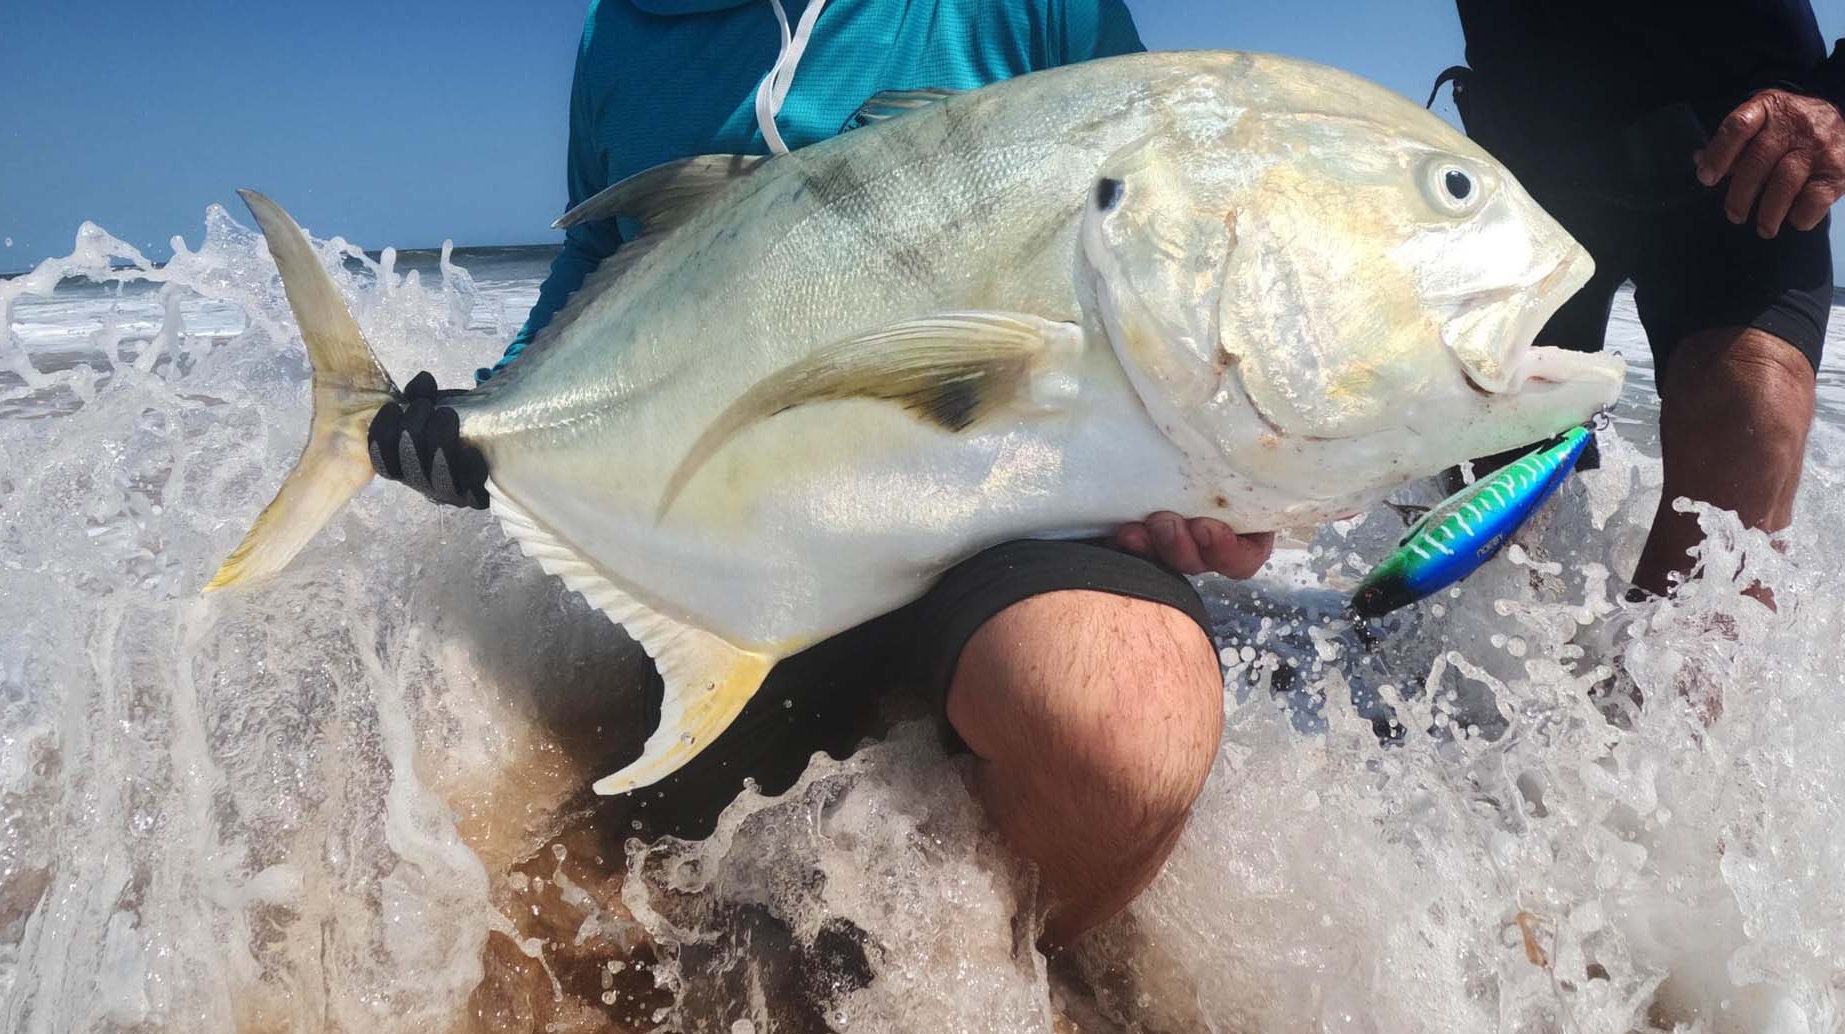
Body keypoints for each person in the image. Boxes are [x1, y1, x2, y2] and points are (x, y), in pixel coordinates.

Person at [369, 0, 1274, 947]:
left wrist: (1226, 447)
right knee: (692, 896)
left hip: (1015, 503)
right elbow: (606, 249)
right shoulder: (622, 32)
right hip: (740, 527)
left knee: (1125, 742)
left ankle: (989, 995)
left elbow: (1178, 197)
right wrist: (495, 410)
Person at [1441, 1, 1845, 601]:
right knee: (1490, 458)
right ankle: (1466, 676)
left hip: (1743, 148)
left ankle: (1666, 693)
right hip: (1524, 164)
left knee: (1751, 416)